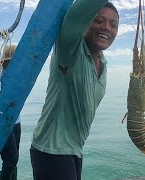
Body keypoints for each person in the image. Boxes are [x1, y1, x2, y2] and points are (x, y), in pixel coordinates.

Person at [30, 0, 119, 180]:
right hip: (51, 151)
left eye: (113, 24)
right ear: (85, 21)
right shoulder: (68, 49)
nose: (106, 28)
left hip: (73, 151)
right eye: (99, 20)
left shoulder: (102, 63)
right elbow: (76, 14)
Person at [0, 45, 21, 180]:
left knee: (13, 160)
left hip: (16, 120)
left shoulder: (16, 73)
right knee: (11, 159)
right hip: (3, 120)